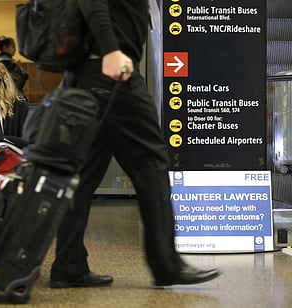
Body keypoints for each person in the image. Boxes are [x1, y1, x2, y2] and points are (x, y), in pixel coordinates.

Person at [49, 0, 221, 288]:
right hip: (112, 70)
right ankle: (166, 264)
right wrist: (111, 50)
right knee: (152, 162)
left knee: (83, 174)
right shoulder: (110, 54)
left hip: (90, 72)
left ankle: (69, 264)